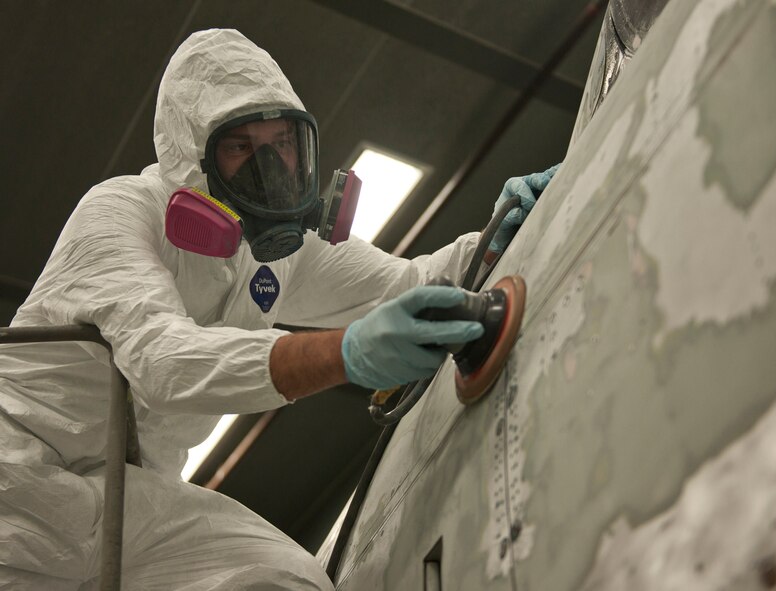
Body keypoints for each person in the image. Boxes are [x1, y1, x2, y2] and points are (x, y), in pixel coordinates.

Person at [0, 29, 558, 589]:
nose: (269, 169)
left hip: (125, 499)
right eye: (241, 148)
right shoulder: (119, 211)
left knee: (288, 580)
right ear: (195, 160)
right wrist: (345, 353)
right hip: (16, 485)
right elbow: (164, 361)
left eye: (282, 144)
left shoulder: (274, 255)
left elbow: (407, 282)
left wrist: (498, 229)